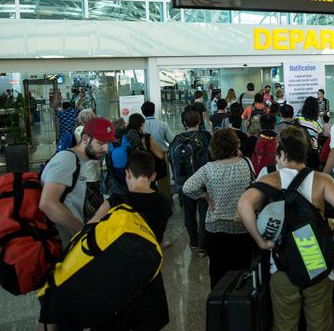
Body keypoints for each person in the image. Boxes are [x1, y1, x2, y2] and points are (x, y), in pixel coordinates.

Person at [237, 126, 334, 331]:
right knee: (319, 324)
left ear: (282, 154)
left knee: (285, 324)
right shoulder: (322, 180)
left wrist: (260, 240)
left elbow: (243, 205)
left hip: (282, 260)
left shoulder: (269, 179)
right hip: (316, 259)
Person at [68, 150, 171, 331]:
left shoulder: (117, 200)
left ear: (127, 173)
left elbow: (91, 227)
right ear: (153, 175)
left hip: (115, 279)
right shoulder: (163, 202)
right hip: (150, 276)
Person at [182, 128, 255, 288]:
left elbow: (187, 187)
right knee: (242, 269)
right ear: (235, 145)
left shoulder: (208, 169)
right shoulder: (247, 164)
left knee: (217, 270)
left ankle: (218, 304)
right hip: (242, 224)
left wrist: (205, 196)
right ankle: (241, 303)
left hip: (215, 226)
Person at [39, 117, 114, 245]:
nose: (106, 149)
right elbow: (47, 204)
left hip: (72, 244)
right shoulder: (66, 159)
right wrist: (83, 231)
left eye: (108, 143)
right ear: (85, 139)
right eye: (101, 143)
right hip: (61, 247)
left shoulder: (81, 162)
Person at [169, 109, 212, 253]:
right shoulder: (204, 136)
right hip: (201, 183)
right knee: (203, 213)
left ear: (184, 123)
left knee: (189, 214)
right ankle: (203, 245)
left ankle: (193, 242)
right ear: (199, 121)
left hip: (183, 184)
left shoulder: (176, 139)